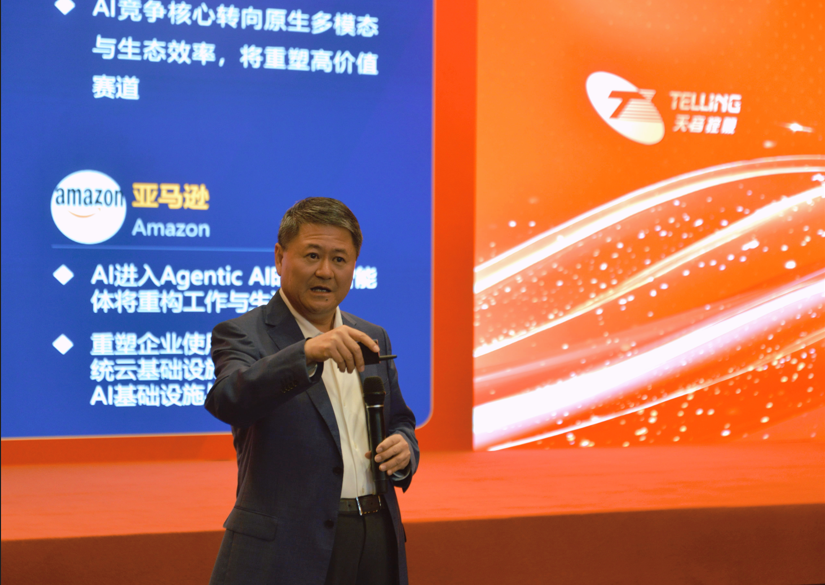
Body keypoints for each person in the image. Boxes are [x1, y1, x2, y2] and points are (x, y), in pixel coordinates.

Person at [205, 197, 419, 585]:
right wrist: (305, 353)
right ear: (279, 258)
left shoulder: (372, 335)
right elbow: (229, 399)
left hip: (376, 538)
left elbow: (400, 420)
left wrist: (404, 448)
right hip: (288, 548)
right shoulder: (242, 333)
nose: (325, 271)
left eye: (339, 259)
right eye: (312, 256)